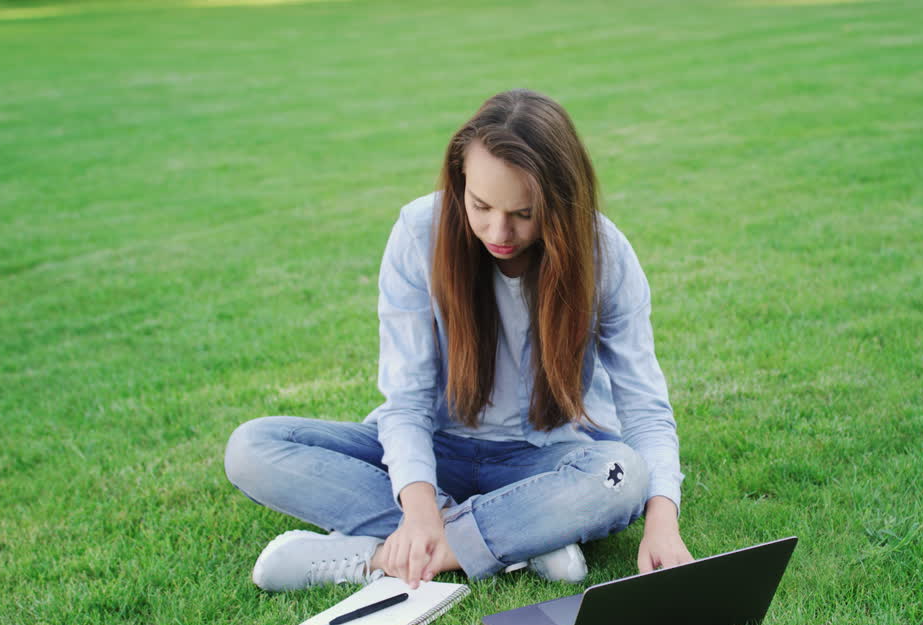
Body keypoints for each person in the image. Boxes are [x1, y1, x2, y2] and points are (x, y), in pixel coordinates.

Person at [224, 89, 693, 592]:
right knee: (252, 446)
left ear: (558, 202)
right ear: (459, 182)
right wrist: (421, 509)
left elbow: (644, 406)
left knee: (622, 473)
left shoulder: (603, 254)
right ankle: (524, 536)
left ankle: (379, 559)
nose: (499, 230)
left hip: (541, 458)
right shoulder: (418, 234)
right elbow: (405, 404)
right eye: (481, 205)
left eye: (524, 213)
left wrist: (663, 524)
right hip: (437, 450)